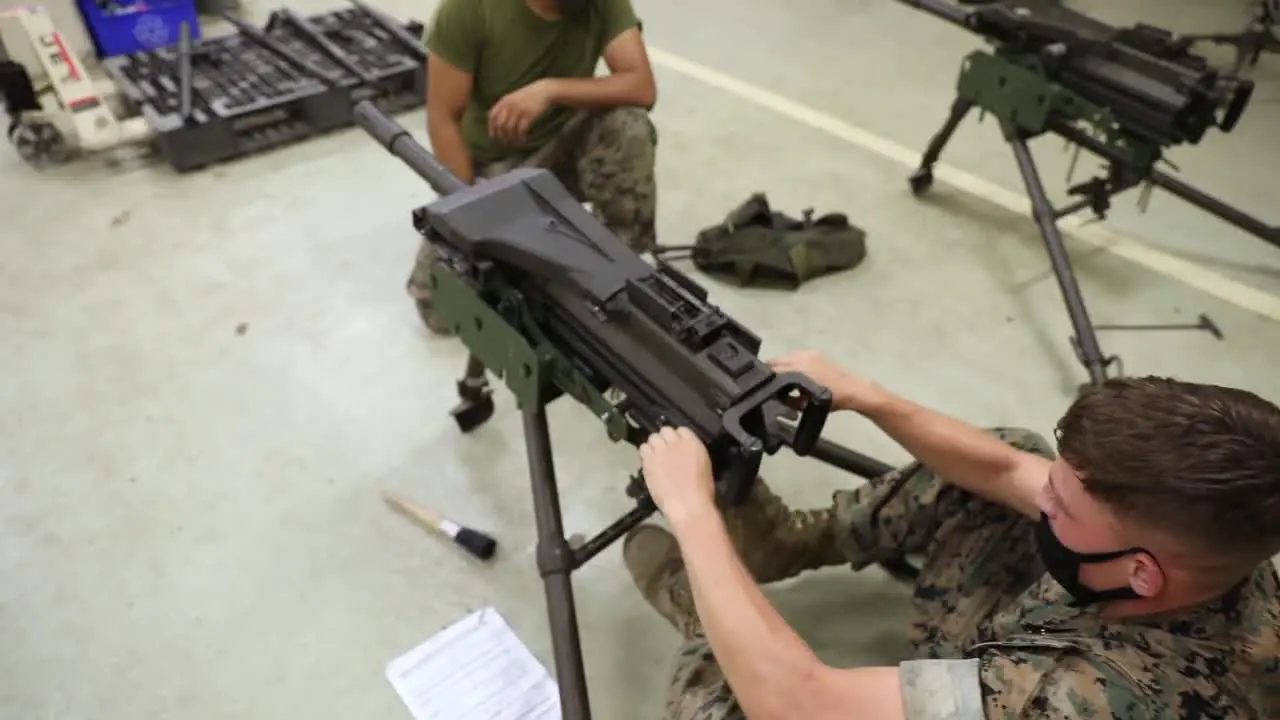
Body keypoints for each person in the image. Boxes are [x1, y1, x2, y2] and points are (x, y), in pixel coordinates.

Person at [626, 349, 1280, 719]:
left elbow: (797, 701)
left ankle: (701, 624)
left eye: (1062, 503)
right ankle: (785, 544)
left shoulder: (1067, 698)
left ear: (1143, 572)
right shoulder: (1224, 538)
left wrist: (692, 511)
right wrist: (875, 398)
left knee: (733, 701)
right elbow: (1003, 469)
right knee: (998, 456)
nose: (1039, 494)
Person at [407, 0, 659, 333]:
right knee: (438, 308)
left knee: (628, 124)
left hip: (567, 146)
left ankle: (624, 264)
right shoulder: (469, 8)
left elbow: (641, 86)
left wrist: (550, 90)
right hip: (495, 167)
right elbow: (444, 120)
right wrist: (467, 208)